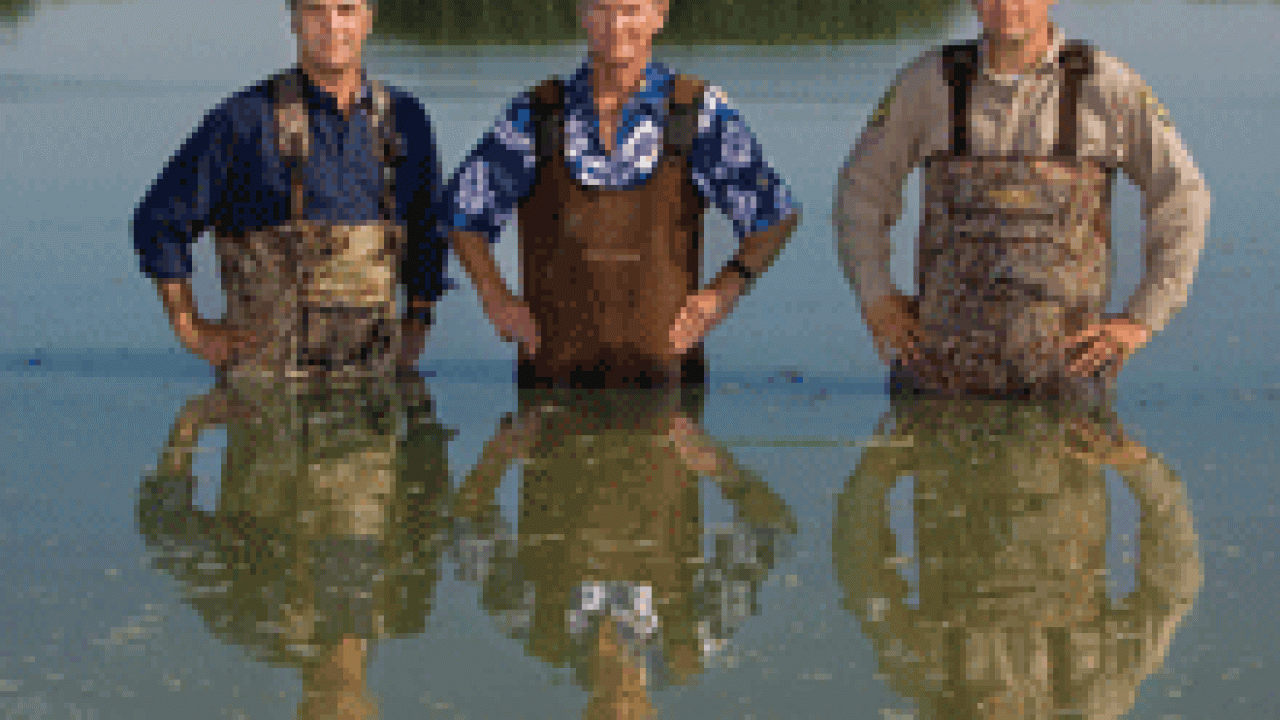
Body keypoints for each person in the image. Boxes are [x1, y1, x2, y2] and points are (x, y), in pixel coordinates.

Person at [834, 0, 1210, 397]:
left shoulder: (1105, 83)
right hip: (938, 377)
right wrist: (876, 296)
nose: (1006, 5)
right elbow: (863, 186)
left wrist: (1143, 317)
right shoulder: (929, 81)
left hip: (1068, 381)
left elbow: (1183, 193)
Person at [445, 0, 801, 388]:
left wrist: (725, 290)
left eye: (631, 9)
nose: (616, 26)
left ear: (660, 14)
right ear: (581, 13)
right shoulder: (536, 114)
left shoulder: (698, 112)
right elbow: (462, 213)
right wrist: (495, 297)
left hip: (670, 390)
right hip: (549, 385)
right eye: (601, 8)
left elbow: (774, 215)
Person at [132, 0, 448, 379]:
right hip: (265, 396)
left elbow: (428, 231)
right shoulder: (245, 119)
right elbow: (159, 221)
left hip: (372, 391)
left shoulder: (405, 120)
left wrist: (419, 319)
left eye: (346, 9)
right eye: (316, 10)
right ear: (295, 21)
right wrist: (191, 328)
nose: (332, 25)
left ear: (369, 18)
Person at [834, 393, 1202, 719]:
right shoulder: (1094, 694)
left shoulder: (931, 683)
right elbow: (1170, 591)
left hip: (945, 398)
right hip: (1064, 397)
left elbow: (863, 577)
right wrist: (1140, 470)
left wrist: (874, 477)